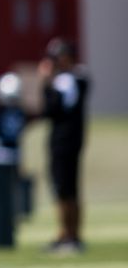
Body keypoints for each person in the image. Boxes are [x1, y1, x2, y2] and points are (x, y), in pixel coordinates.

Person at [39, 38, 90, 253]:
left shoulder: (67, 80)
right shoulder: (77, 78)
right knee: (68, 189)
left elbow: (52, 109)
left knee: (64, 190)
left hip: (64, 142)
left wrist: (46, 83)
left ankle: (68, 235)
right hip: (70, 141)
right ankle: (71, 234)